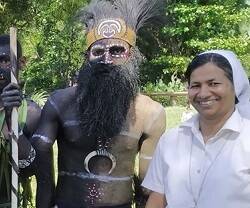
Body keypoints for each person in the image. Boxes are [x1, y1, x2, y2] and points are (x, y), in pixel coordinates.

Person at [31, 0, 166, 207]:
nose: (107, 59)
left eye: (116, 51)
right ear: (87, 57)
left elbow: (148, 187)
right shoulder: (60, 103)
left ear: (132, 55)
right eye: (98, 52)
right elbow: (43, 174)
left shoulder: (150, 113)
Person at [142, 50, 250, 208]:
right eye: (195, 86)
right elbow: (158, 197)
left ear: (235, 87)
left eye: (213, 84)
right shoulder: (171, 140)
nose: (204, 93)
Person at [0, 34, 41, 205]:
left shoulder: (30, 112)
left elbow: (29, 170)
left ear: (22, 63)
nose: (0, 68)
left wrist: (11, 119)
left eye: (6, 60)